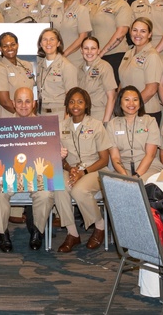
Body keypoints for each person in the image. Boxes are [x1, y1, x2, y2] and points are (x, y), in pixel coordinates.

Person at [0, 87, 60, 252]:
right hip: (10, 178)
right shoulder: (1, 126)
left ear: (34, 103)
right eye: (19, 101)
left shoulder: (45, 127)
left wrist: (59, 152)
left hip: (35, 178)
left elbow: (51, 158)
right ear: (13, 103)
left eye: (28, 101)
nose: (23, 105)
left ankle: (37, 231)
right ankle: (3, 233)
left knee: (46, 194)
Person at [57, 88, 111, 252]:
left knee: (79, 191)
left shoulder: (96, 125)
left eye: (80, 101)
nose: (75, 105)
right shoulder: (60, 127)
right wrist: (69, 168)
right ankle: (72, 233)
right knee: (59, 186)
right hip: (70, 168)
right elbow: (58, 156)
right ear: (66, 105)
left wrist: (83, 172)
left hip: (94, 170)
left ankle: (100, 226)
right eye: (72, 101)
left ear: (86, 105)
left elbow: (104, 159)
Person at [107, 85, 163, 179]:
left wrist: (136, 176)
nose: (131, 103)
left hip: (149, 167)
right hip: (124, 169)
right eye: (127, 99)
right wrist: (125, 176)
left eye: (135, 100)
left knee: (139, 185)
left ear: (140, 103)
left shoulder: (150, 121)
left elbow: (150, 154)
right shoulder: (112, 125)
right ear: (120, 102)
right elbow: (115, 157)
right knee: (118, 186)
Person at [118, 18, 163, 121]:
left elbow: (151, 89)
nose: (138, 34)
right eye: (135, 30)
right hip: (127, 111)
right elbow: (122, 82)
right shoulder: (128, 53)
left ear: (149, 34)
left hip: (145, 112)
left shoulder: (152, 55)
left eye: (143, 31)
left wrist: (132, 106)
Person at [92, 0, 134, 77]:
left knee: (113, 91)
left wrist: (101, 53)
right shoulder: (94, 4)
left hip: (114, 56)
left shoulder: (122, 5)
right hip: (95, 56)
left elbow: (121, 32)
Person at [35, 28, 79, 117]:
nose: (48, 43)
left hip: (59, 115)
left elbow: (72, 96)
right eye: (45, 40)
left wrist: (67, 119)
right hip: (41, 114)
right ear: (40, 44)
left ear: (58, 43)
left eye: (52, 39)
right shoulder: (39, 66)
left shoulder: (67, 66)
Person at [53, 0, 92, 68]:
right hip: (55, 58)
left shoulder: (82, 10)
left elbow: (82, 37)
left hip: (75, 61)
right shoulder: (54, 9)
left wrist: (64, 54)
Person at [0, 32, 34, 115]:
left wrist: (30, 116)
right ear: (0, 49)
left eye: (13, 44)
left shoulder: (27, 65)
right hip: (11, 118)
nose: (10, 48)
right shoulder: (0, 69)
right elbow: (5, 102)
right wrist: (23, 115)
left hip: (29, 118)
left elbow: (33, 94)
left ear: (17, 45)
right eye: (5, 46)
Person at [79, 37, 118, 124]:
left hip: (101, 115)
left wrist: (105, 123)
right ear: (81, 50)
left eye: (93, 48)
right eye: (86, 48)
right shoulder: (80, 69)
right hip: (85, 116)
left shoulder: (104, 67)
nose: (89, 52)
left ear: (98, 50)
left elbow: (111, 98)